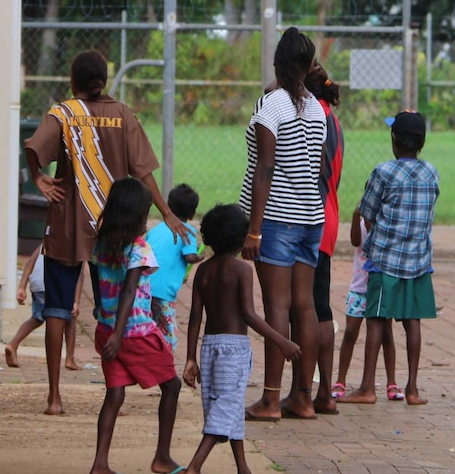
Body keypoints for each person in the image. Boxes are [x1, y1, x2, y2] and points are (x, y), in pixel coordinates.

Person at [25, 49, 189, 416]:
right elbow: (143, 171)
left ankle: (54, 398)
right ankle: (118, 386)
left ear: (73, 79)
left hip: (68, 223)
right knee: (112, 307)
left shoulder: (63, 113)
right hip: (112, 228)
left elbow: (34, 146)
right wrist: (168, 213)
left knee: (56, 308)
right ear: (104, 80)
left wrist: (38, 177)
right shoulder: (123, 114)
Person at [239, 27, 326, 421]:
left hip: (277, 219)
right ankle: (303, 397)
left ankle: (271, 399)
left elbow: (265, 168)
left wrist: (253, 229)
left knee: (277, 305)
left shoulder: (272, 106)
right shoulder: (316, 108)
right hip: (311, 218)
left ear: (277, 63)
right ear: (309, 68)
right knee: (303, 306)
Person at [182, 204, 300, 474]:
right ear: (241, 238)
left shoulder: (203, 271)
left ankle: (242, 466)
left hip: (209, 348)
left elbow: (194, 318)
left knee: (226, 405)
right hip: (233, 350)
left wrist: (190, 358)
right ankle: (195, 466)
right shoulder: (242, 270)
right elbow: (249, 314)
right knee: (226, 406)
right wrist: (282, 341)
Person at [339, 111, 439, 406]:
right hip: (419, 261)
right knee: (413, 323)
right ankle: (412, 389)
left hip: (385, 261)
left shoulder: (383, 172)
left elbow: (366, 214)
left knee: (377, 321)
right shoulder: (432, 172)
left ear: (394, 140)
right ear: (421, 143)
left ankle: (367, 387)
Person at [89, 177, 183, 474]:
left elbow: (96, 276)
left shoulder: (103, 242)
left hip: (107, 330)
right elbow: (130, 291)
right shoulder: (139, 248)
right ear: (137, 215)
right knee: (172, 385)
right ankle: (162, 457)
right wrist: (119, 332)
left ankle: (100, 464)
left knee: (115, 393)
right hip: (134, 333)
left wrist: (105, 316)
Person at [280, 63, 344, 416]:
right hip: (327, 219)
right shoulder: (330, 116)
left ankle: (302, 392)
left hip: (310, 220)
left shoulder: (313, 115)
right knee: (318, 306)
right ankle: (322, 393)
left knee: (303, 307)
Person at [332, 207, 403, 401]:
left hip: (380, 289)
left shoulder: (387, 225)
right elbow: (356, 242)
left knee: (386, 334)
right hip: (359, 288)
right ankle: (340, 381)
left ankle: (392, 382)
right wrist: (356, 216)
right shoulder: (362, 225)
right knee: (350, 332)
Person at [147, 183, 204, 356]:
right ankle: (164, 364)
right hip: (164, 293)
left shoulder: (156, 229)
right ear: (192, 213)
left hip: (144, 287)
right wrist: (201, 257)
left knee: (149, 324)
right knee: (169, 332)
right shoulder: (187, 231)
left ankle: (146, 356)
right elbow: (189, 257)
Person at [4, 243, 81, 370]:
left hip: (38, 284)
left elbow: (30, 262)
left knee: (37, 318)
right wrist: (76, 301)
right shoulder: (75, 245)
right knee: (70, 318)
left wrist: (22, 286)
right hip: (56, 284)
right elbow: (79, 276)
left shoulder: (46, 241)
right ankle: (69, 358)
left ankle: (13, 344)